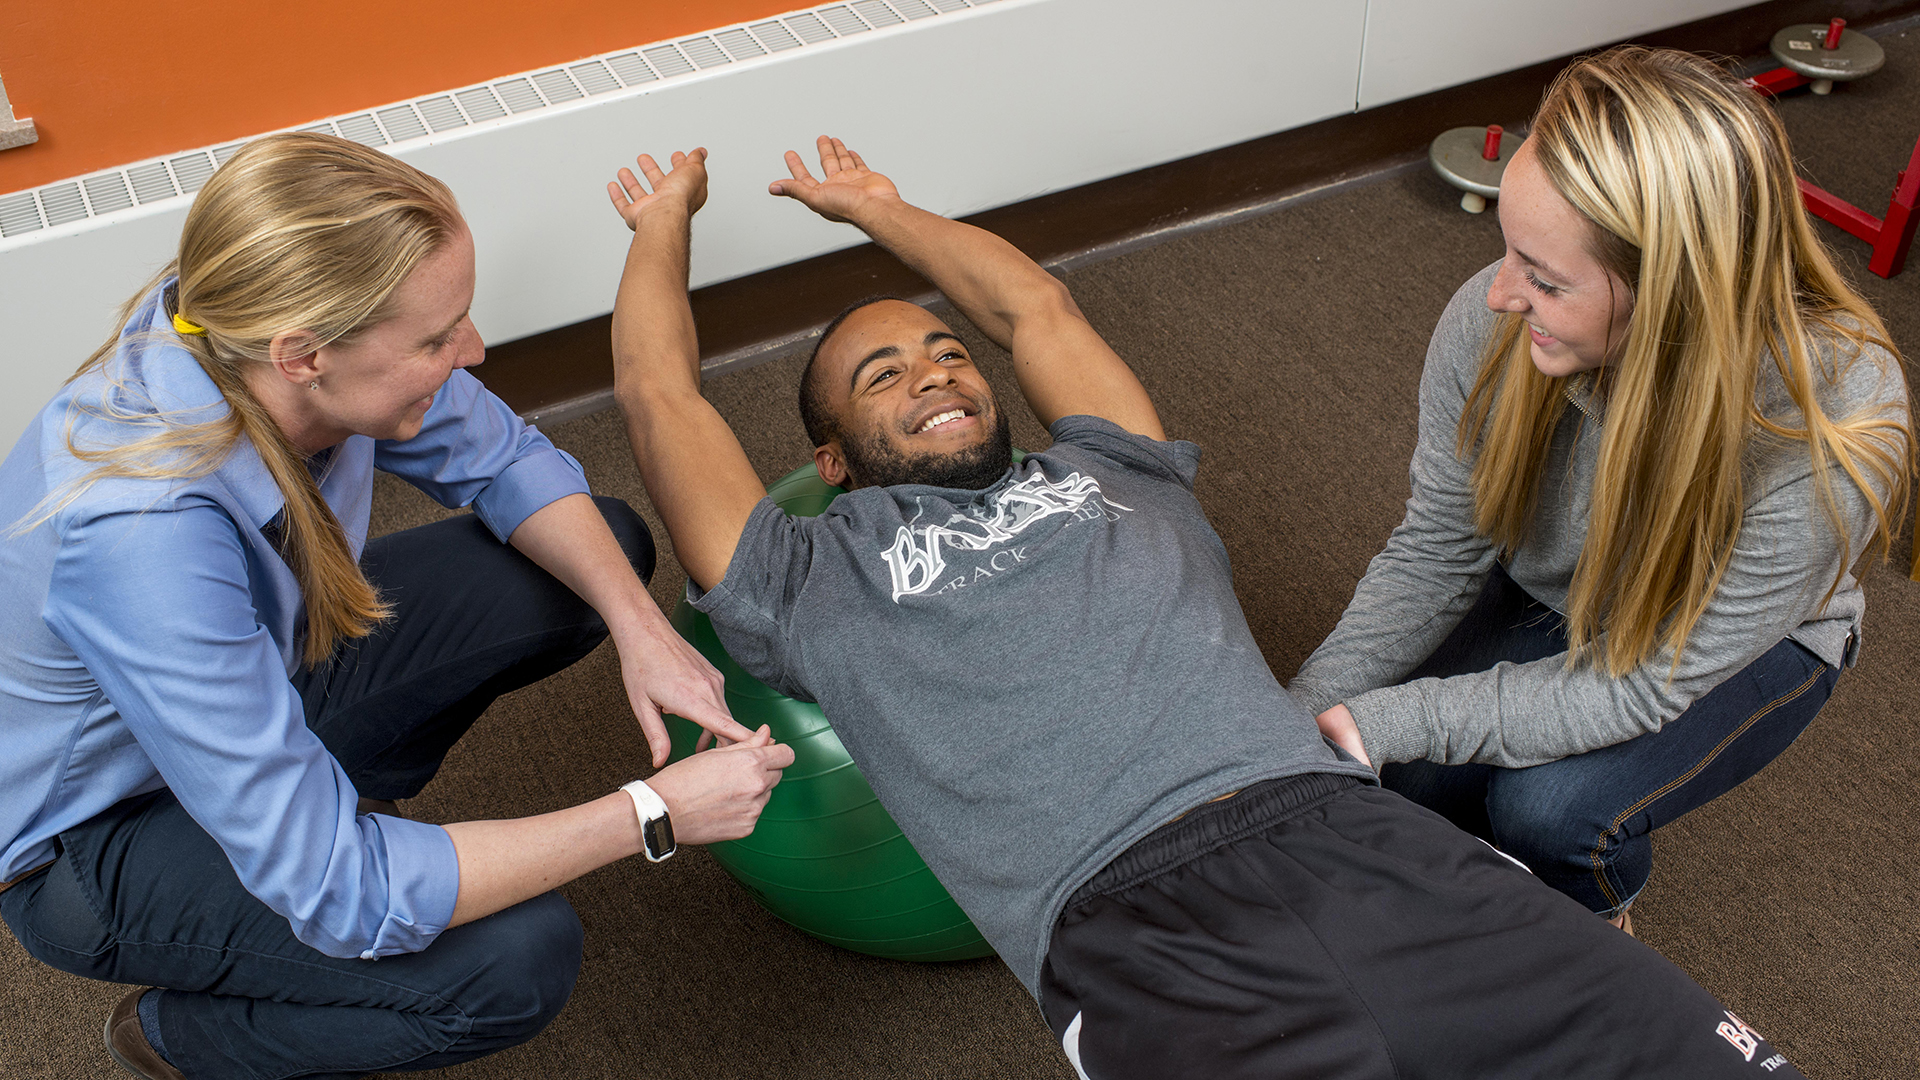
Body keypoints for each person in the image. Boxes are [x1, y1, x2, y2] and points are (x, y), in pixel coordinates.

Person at [605, 134, 1812, 1079]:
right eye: (884, 375)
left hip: (1350, 828)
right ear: (832, 461)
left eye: (943, 352)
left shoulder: (1113, 466)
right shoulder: (806, 577)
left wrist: (881, 212)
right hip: (1126, 921)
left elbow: (1039, 313)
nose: (932, 370)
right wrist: (662, 231)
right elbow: (662, 398)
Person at [0, 132, 794, 1080]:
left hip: (259, 679)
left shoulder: (246, 322)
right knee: (512, 958)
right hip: (94, 846)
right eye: (434, 339)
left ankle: (339, 800)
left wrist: (644, 629)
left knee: (598, 551)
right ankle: (180, 1042)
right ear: (305, 356)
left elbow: (504, 459)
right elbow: (342, 892)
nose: (475, 350)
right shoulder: (142, 534)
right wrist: (650, 812)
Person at [1293, 47, 1911, 930]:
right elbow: (1433, 552)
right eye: (1510, 252)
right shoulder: (1497, 315)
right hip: (1556, 589)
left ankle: (1600, 916)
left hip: (1728, 643)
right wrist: (1294, 720)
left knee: (1547, 814)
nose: (1500, 295)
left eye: (1544, 278)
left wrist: (1395, 718)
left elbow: (1639, 685)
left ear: (1673, 295)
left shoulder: (1835, 431)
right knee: (1411, 784)